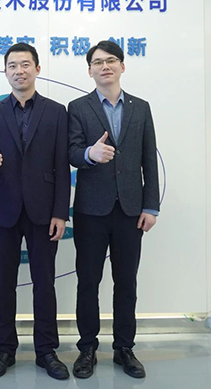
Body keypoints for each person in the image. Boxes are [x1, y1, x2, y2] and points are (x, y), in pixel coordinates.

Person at [0, 43, 70, 380]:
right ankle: (5, 349)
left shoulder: (56, 112)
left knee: (45, 283)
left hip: (44, 211)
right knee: (4, 283)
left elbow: (62, 165)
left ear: (37, 69)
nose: (19, 70)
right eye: (13, 65)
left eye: (25, 64)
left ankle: (46, 350)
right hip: (4, 210)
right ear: (5, 72)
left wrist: (61, 212)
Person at [68, 40, 159, 379]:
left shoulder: (141, 108)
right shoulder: (78, 107)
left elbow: (149, 159)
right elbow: (71, 152)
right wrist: (89, 155)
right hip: (91, 210)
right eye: (97, 62)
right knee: (88, 281)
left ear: (122, 66)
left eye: (110, 61)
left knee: (126, 282)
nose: (104, 66)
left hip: (130, 210)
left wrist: (151, 206)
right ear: (89, 70)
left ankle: (124, 348)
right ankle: (87, 348)